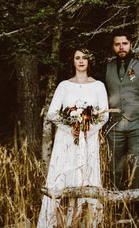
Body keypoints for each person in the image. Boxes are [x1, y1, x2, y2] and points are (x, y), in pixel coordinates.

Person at [37, 48, 109, 228]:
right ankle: (58, 223)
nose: (81, 61)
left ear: (90, 61)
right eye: (77, 58)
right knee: (63, 179)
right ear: (73, 62)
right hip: (66, 140)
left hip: (88, 140)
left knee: (84, 180)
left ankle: (84, 223)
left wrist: (87, 130)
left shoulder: (98, 85)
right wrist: (70, 129)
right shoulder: (64, 85)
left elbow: (104, 115)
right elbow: (52, 113)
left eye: (85, 57)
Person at [104, 32, 139, 190]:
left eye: (124, 44)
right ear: (113, 47)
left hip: (137, 125)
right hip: (114, 127)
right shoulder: (106, 68)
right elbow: (100, 95)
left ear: (130, 45)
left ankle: (138, 208)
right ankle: (117, 206)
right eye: (117, 44)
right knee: (115, 168)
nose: (121, 47)